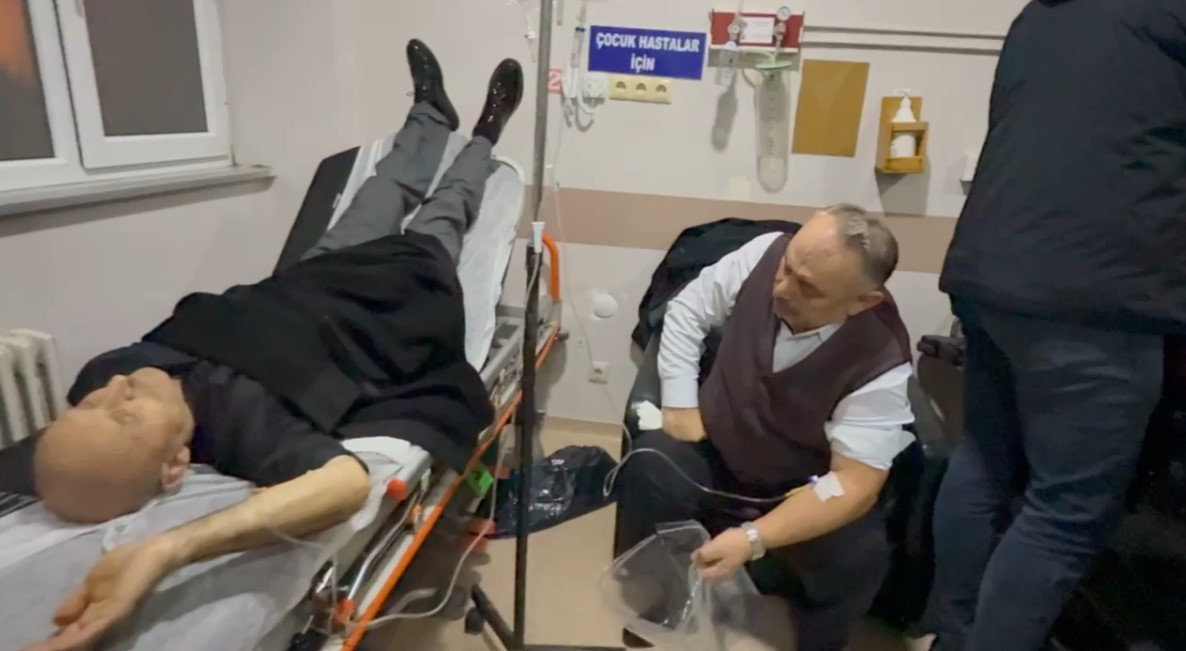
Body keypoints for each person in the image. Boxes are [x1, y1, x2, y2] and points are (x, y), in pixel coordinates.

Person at [6, 40, 524, 651]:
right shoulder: (238, 419)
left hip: (311, 277)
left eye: (91, 403)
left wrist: (94, 417)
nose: (117, 387)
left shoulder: (103, 379)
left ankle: (430, 115)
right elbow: (343, 484)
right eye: (124, 414)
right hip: (396, 297)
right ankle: (486, 134)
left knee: (379, 191)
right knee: (446, 213)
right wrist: (165, 550)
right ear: (177, 464)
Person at [930, 2, 1186, 650]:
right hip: (1096, 295)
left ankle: (954, 637)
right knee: (1065, 513)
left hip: (990, 272)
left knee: (982, 462)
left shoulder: (1040, 15)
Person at [614, 205, 915, 651]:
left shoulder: (881, 357)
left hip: (799, 483)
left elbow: (854, 483)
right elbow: (687, 310)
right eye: (787, 267)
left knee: (858, 556)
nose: (782, 288)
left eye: (808, 288)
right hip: (716, 446)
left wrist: (753, 539)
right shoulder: (764, 253)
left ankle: (818, 636)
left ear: (861, 302)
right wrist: (679, 402)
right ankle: (669, 597)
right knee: (649, 466)